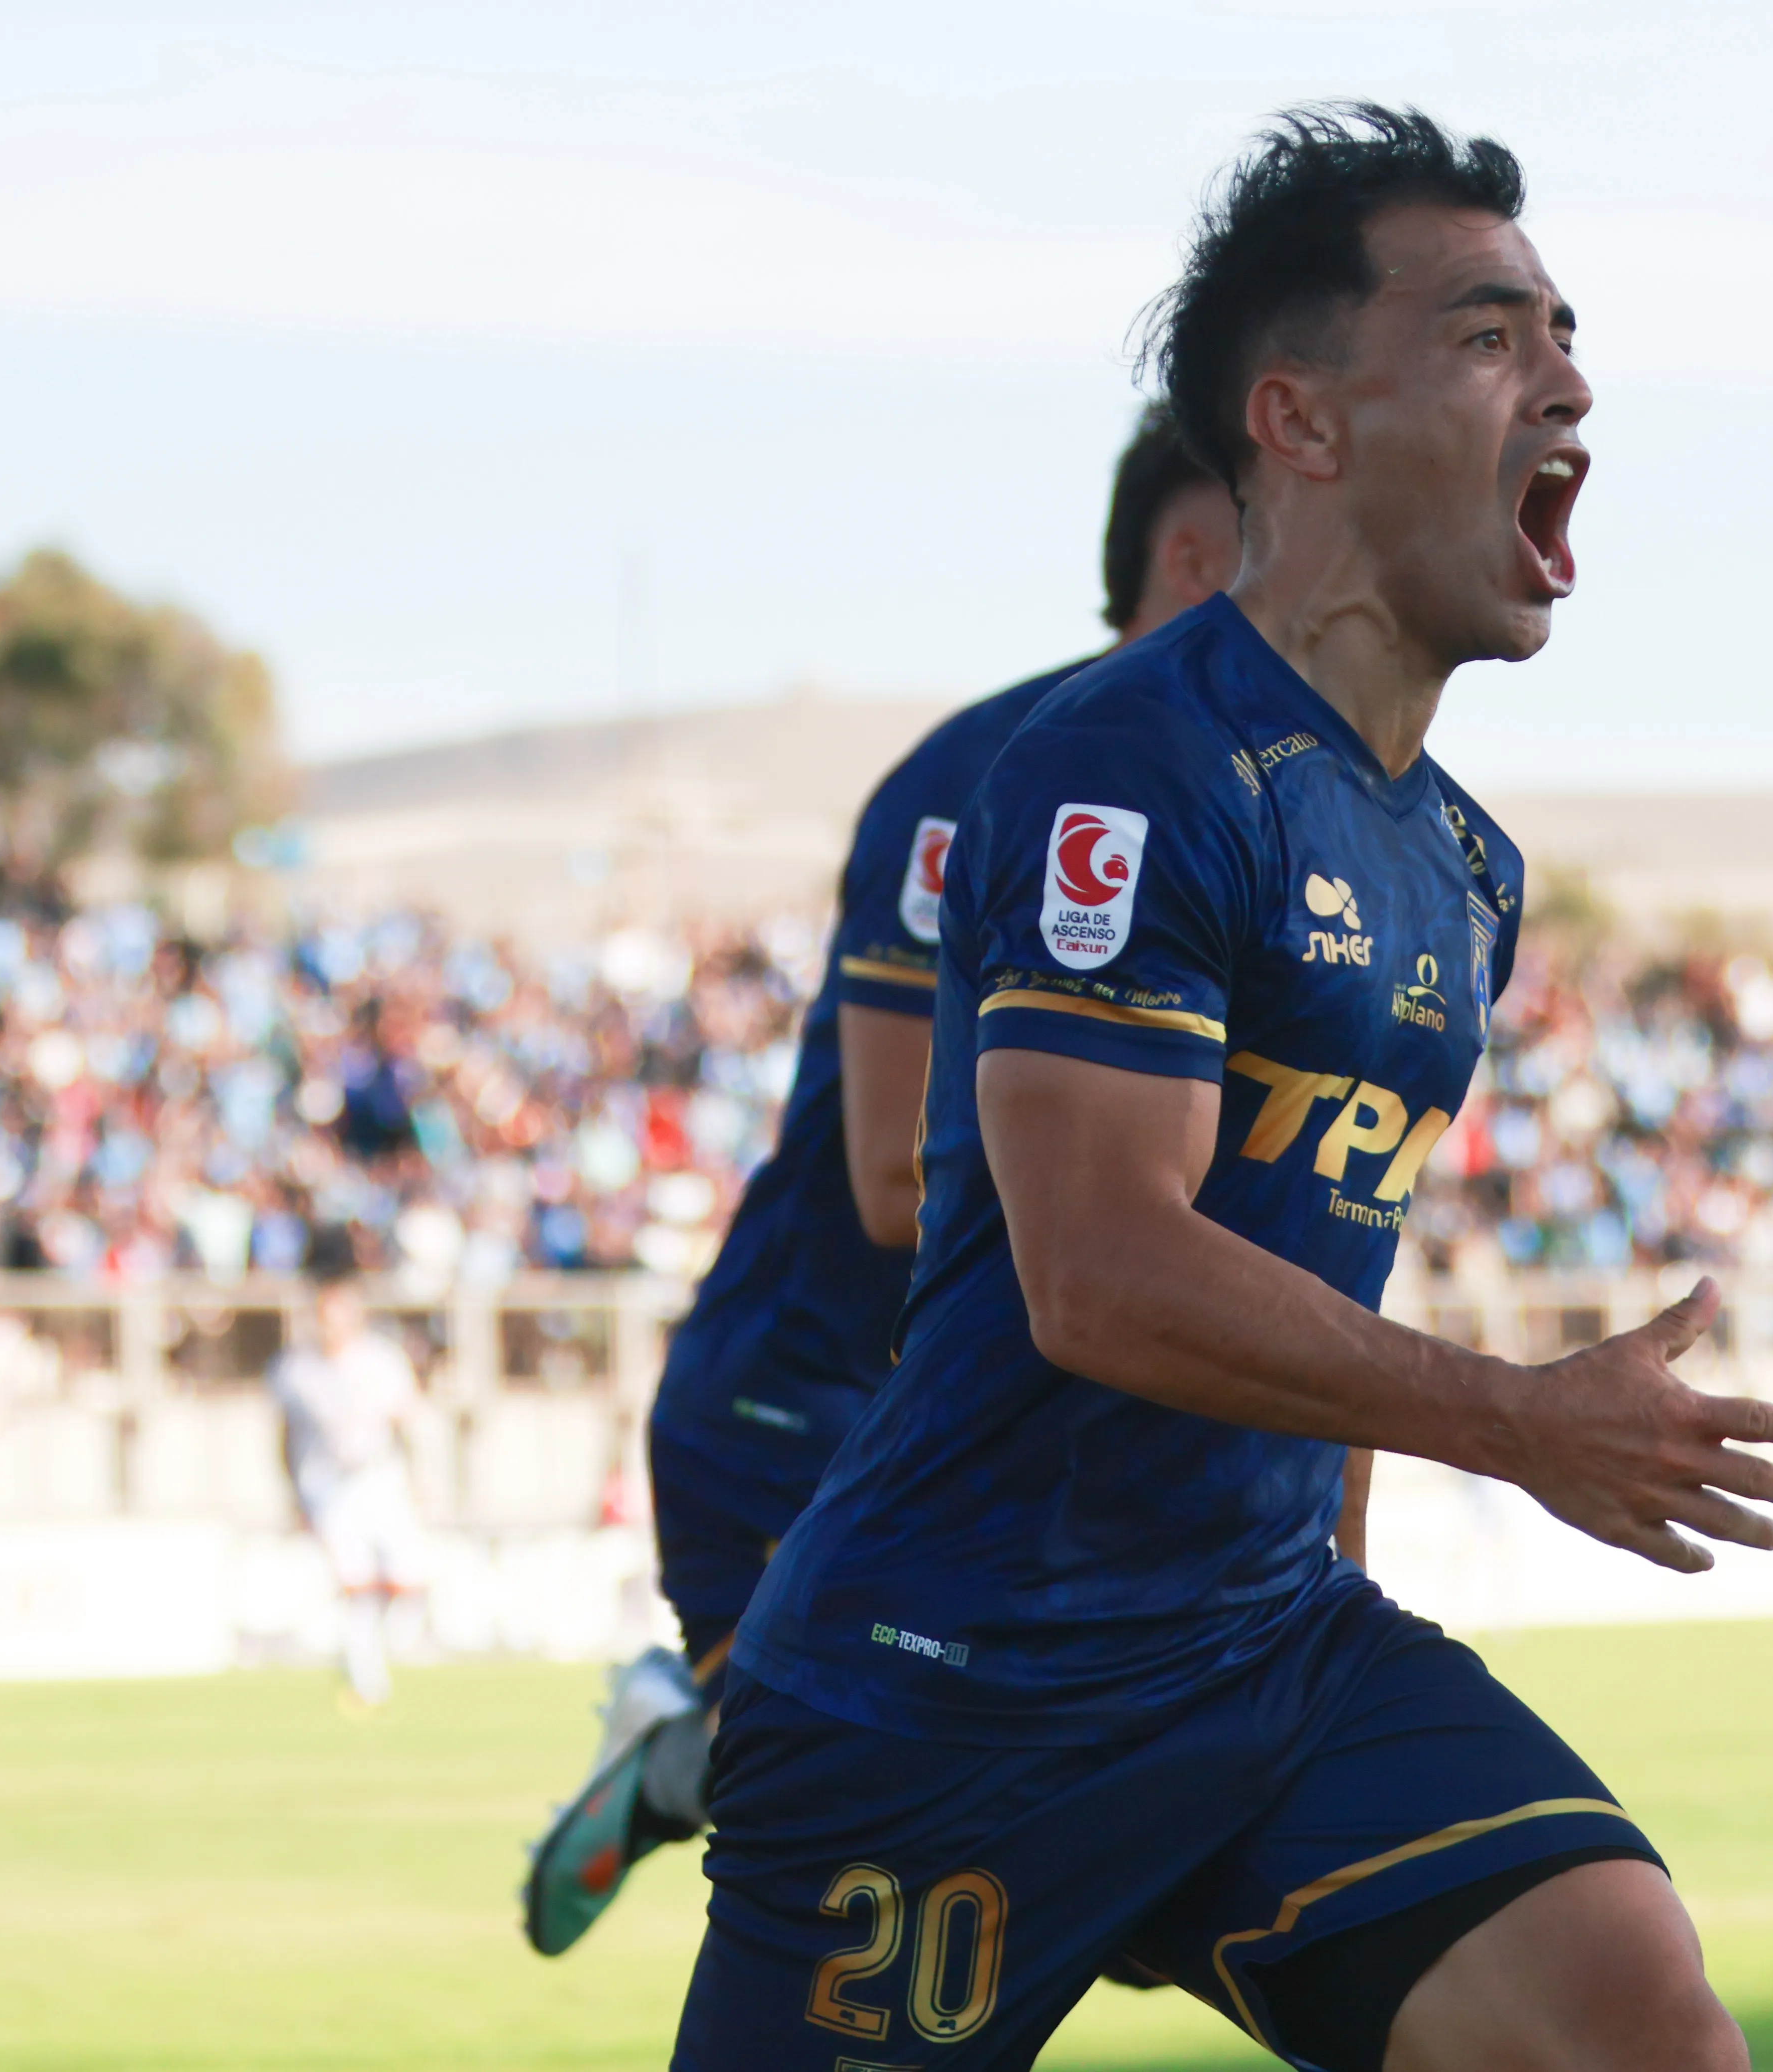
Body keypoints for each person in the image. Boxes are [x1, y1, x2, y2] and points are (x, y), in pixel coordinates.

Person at [672, 105, 1773, 2072]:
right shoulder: (1123, 765)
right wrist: (1519, 1418)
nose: (1563, 381)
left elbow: (1315, 1285)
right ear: (1296, 422)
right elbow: (1100, 1273)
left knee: (1633, 2015)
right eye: (1487, 333)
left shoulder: (1462, 867)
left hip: (1263, 1654)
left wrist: (1354, 1573)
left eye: (1564, 334)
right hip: (949, 1688)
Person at [520, 408, 1241, 1955]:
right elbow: (892, 1184)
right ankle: (693, 1747)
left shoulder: (1271, 803)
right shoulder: (982, 775)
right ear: (1195, 556)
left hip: (988, 1431)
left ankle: (693, 1751)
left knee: (1064, 1867)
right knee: (930, 1867)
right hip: (801, 1404)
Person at [269, 1260, 424, 1714]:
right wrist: (293, 1493)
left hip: (380, 1476)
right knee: (354, 1581)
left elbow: (405, 1425)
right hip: (328, 1483)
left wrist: (418, 1481)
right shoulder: (295, 1369)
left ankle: (381, 1650)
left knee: (407, 1576)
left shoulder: (383, 1361)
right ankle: (365, 1675)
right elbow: (284, 1436)